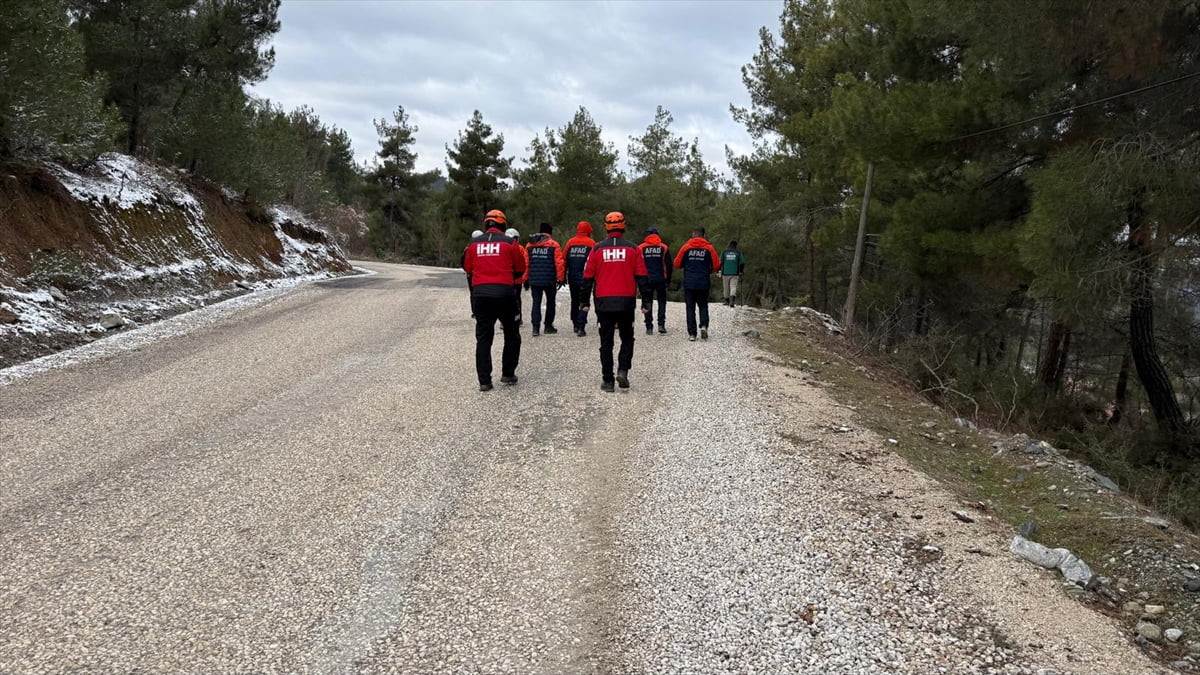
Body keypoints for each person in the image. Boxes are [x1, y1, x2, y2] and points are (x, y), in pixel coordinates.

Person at [581, 211, 647, 392]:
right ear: (623, 226)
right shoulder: (634, 249)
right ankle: (623, 370)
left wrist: (584, 302)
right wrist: (646, 302)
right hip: (626, 301)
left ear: (606, 228)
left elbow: (587, 277)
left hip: (604, 301)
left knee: (606, 342)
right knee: (627, 337)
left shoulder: (596, 249)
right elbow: (642, 277)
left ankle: (608, 380)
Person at [462, 210, 526, 391]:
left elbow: (467, 267)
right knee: (512, 334)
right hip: (505, 294)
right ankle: (508, 373)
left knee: (483, 338)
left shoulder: (473, 244)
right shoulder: (510, 243)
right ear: (503, 225)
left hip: (481, 294)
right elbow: (520, 268)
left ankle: (484, 381)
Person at [673, 226, 720, 341]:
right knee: (703, 305)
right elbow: (717, 265)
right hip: (703, 281)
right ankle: (703, 325)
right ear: (704, 235)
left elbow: (676, 264)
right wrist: (709, 271)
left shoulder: (686, 247)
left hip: (689, 282)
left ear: (693, 234)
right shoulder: (709, 248)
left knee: (690, 307)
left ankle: (692, 334)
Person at [525, 222, 565, 336]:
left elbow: (526, 263)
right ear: (550, 232)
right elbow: (559, 263)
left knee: (536, 303)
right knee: (550, 303)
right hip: (549, 279)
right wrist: (561, 278)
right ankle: (548, 326)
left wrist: (525, 278)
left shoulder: (530, 244)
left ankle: (535, 328)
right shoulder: (554, 245)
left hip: (534, 279)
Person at [637, 227, 672, 335]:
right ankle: (661, 324)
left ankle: (649, 327)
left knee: (647, 301)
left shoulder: (640, 248)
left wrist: (638, 281)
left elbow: (637, 265)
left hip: (646, 279)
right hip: (661, 278)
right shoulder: (664, 247)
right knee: (662, 301)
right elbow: (669, 266)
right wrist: (668, 281)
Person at [564, 221, 596, 337]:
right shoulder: (591, 243)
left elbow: (564, 260)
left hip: (572, 277)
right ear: (588, 231)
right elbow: (595, 261)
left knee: (574, 301)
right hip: (586, 278)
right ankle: (581, 324)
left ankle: (575, 324)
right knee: (584, 301)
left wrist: (562, 276)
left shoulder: (570, 242)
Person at [506, 228, 528, 326]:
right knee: (517, 300)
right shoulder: (520, 248)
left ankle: (505, 320)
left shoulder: (503, 247)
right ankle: (518, 319)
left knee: (505, 299)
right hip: (517, 279)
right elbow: (525, 263)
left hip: (506, 279)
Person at [720, 240, 746, 307]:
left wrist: (719, 270)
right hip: (735, 273)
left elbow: (720, 262)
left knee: (726, 287)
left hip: (725, 272)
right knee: (733, 286)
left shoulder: (724, 252)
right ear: (735, 246)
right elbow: (742, 262)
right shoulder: (738, 252)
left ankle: (727, 301)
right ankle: (732, 301)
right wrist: (741, 271)